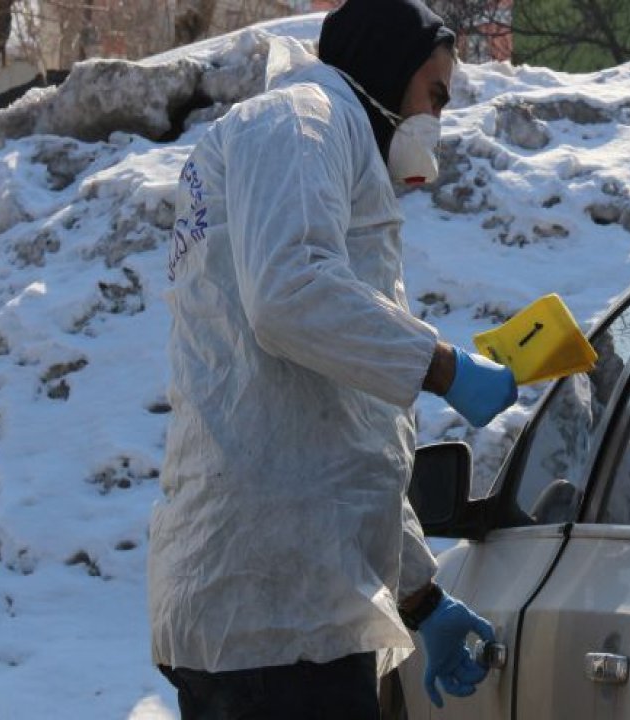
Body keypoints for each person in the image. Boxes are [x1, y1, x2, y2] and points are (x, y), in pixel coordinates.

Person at [148, 0, 517, 717]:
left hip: (286, 614)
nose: (435, 120)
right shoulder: (298, 121)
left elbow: (343, 433)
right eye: (435, 95)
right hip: (268, 620)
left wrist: (421, 596)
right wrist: (443, 366)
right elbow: (290, 295)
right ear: (388, 67)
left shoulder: (326, 143)